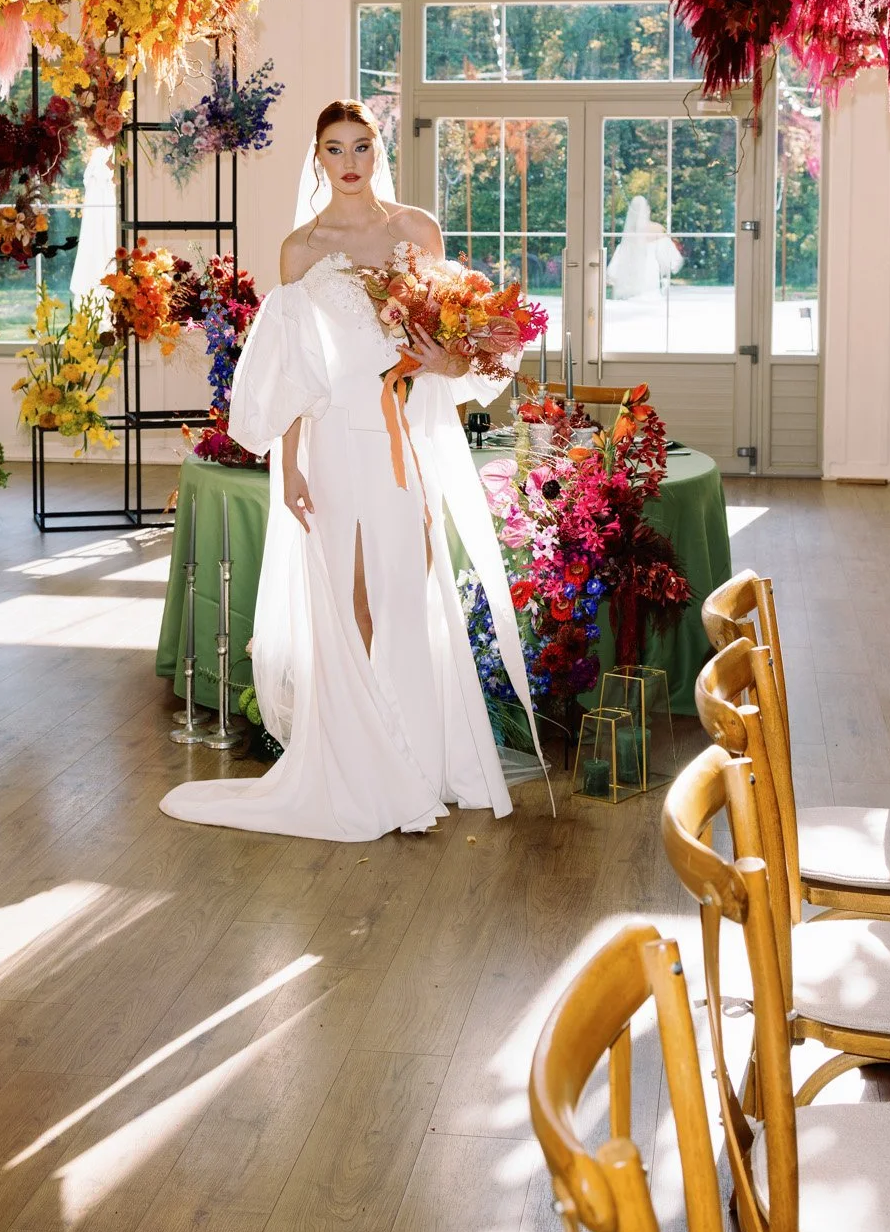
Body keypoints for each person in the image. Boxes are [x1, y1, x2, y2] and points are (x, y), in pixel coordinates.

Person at [160, 99, 547, 843]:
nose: (348, 161)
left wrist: (448, 358)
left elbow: (456, 344)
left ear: (378, 152)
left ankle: (421, 761)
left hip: (401, 432)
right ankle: (371, 768)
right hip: (336, 439)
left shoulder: (416, 230)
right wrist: (292, 465)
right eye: (334, 148)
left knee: (410, 593)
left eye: (360, 147)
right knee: (353, 599)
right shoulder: (301, 250)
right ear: (317, 158)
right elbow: (300, 371)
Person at [606, 193, 683, 300]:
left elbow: (613, 272)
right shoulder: (657, 229)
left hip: (630, 283)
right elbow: (672, 261)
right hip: (650, 279)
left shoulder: (628, 235)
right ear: (648, 209)